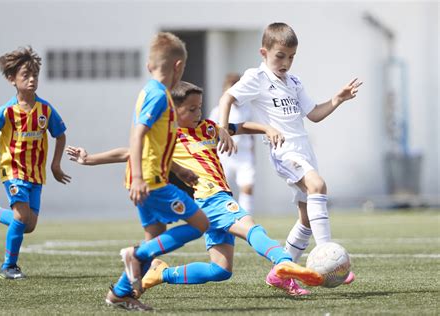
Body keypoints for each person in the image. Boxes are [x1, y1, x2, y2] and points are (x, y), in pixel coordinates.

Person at [67, 81, 324, 299]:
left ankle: (161, 273)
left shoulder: (208, 128)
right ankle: (283, 262)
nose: (198, 112)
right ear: (174, 112)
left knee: (220, 270)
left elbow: (241, 126)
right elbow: (129, 152)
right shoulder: (170, 136)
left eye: (199, 107)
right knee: (250, 226)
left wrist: (266, 128)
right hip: (209, 196)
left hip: (214, 199)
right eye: (191, 109)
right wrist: (90, 159)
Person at [218, 22, 362, 285]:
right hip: (284, 151)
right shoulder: (257, 77)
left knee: (306, 220)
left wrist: (337, 99)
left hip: (304, 150)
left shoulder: (294, 81)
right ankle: (328, 257)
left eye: (291, 57)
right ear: (264, 53)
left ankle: (281, 274)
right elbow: (227, 97)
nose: (286, 62)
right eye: (280, 56)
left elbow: (314, 114)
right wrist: (222, 128)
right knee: (318, 184)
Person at [101, 32, 230, 311]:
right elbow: (137, 136)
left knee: (156, 233)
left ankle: (120, 293)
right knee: (201, 224)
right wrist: (138, 177)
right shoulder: (159, 96)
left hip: (148, 177)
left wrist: (180, 169)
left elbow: (153, 143)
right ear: (178, 66)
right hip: (151, 182)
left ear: (150, 65)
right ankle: (137, 256)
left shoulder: (151, 92)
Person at [0, 46, 71, 280]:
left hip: (35, 173)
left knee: (28, 225)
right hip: (12, 169)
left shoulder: (45, 109)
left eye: (34, 75)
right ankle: (9, 266)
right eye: (25, 75)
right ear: (12, 79)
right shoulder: (7, 111)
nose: (31, 79)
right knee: (20, 217)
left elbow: (60, 135)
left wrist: (55, 165)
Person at [209, 73, 256, 212]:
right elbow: (211, 132)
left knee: (247, 186)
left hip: (244, 154)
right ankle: (225, 215)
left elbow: (250, 131)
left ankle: (246, 217)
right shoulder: (218, 110)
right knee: (223, 188)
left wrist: (253, 152)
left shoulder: (247, 109)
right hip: (224, 154)